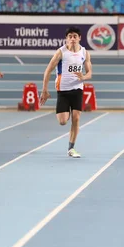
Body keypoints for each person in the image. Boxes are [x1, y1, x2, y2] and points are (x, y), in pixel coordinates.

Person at [40, 27, 92, 158]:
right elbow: (47, 71)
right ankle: (65, 112)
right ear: (66, 39)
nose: (73, 38)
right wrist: (44, 90)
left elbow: (89, 73)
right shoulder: (61, 52)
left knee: (76, 118)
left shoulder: (85, 53)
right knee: (63, 121)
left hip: (77, 89)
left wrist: (83, 77)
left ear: (80, 38)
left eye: (75, 36)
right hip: (63, 91)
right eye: (70, 36)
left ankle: (71, 148)